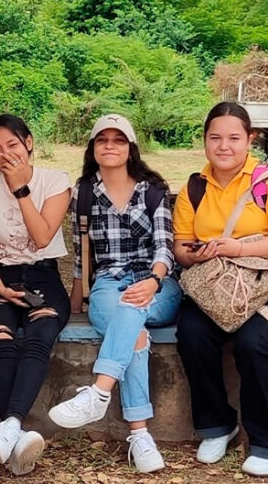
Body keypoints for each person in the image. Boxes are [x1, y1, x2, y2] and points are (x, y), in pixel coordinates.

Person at [173, 102, 268, 477]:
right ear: (204, 141)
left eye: (234, 137)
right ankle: (217, 425)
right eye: (215, 137)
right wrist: (196, 254)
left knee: (254, 340)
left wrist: (240, 248)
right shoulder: (194, 187)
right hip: (216, 280)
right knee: (193, 333)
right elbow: (181, 246)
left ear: (250, 140)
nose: (224, 146)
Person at [46, 114, 181, 474]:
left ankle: (99, 392)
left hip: (157, 282)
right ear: (92, 148)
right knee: (132, 324)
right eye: (101, 139)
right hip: (107, 284)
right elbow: (81, 250)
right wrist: (77, 296)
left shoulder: (153, 190)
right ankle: (140, 435)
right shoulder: (85, 191)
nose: (110, 145)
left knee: (134, 307)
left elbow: (165, 247)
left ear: (131, 147)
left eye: (118, 139)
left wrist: (153, 280)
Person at [0, 114, 72, 476]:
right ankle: (14, 439)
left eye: (12, 144)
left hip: (42, 275)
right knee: (1, 337)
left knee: (42, 332)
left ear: (28, 142)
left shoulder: (55, 180)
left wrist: (19, 188)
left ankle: (10, 426)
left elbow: (43, 237)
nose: (5, 154)